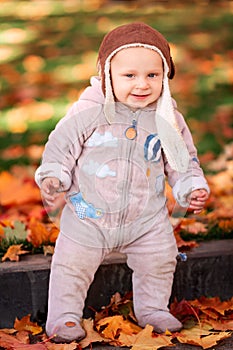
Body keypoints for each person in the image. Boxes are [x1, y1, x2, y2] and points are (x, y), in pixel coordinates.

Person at [35, 22, 209, 342]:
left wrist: (190, 187)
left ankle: (153, 308)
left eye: (152, 75)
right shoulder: (86, 111)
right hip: (89, 214)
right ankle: (64, 316)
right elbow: (61, 147)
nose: (142, 84)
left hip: (146, 217)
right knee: (72, 262)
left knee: (160, 257)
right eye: (130, 76)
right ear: (107, 75)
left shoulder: (167, 117)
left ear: (165, 77)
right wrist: (54, 175)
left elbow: (182, 162)